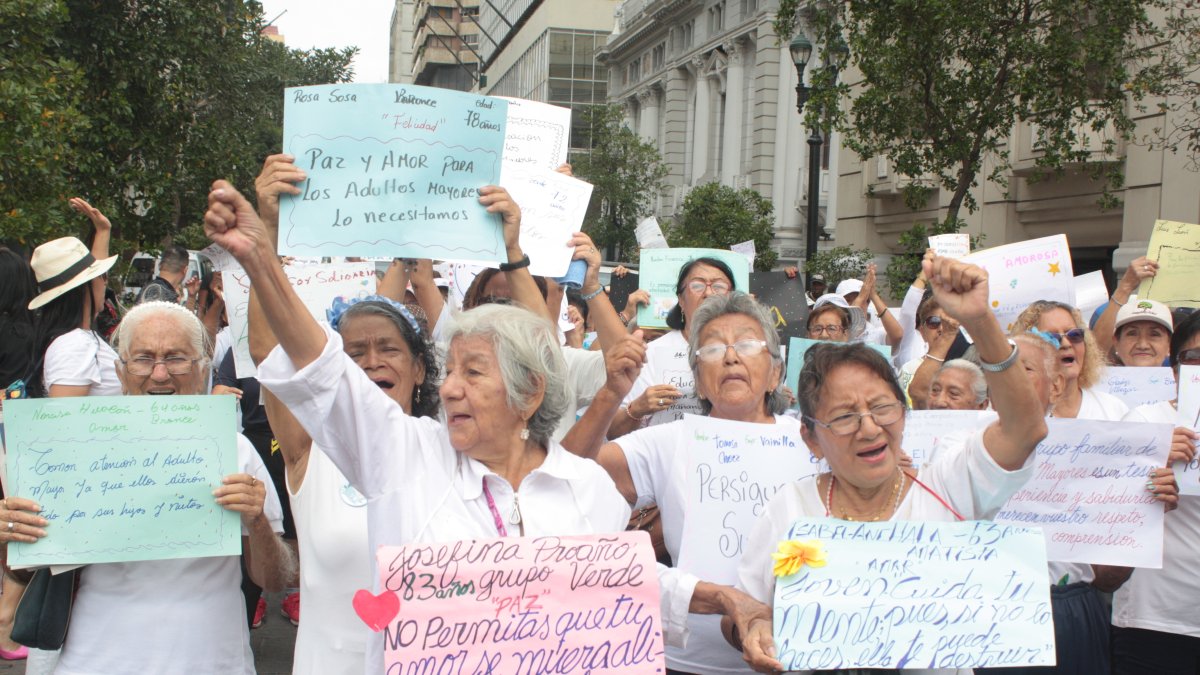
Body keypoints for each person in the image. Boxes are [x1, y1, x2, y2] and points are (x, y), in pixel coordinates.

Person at [204, 179, 636, 671]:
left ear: (530, 392)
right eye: (450, 371)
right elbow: (318, 367)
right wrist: (262, 257)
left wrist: (716, 599)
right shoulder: (405, 454)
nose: (452, 389)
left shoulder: (590, 490)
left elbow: (618, 606)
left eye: (472, 373)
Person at [729, 254, 1051, 674]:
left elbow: (1025, 429)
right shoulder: (791, 508)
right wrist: (753, 626)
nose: (869, 429)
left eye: (883, 408)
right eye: (844, 416)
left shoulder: (950, 488)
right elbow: (744, 611)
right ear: (812, 439)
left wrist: (981, 323)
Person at [0, 301, 294, 674]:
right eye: (142, 358)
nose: (159, 374)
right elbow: (28, 573)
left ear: (203, 367)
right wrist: (11, 537)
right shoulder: (73, 450)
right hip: (93, 659)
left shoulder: (233, 449)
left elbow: (273, 580)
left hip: (210, 659)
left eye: (176, 358)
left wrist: (259, 524)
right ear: (120, 370)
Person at [566, 291, 796, 673]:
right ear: (699, 384)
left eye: (746, 344)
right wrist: (612, 395)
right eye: (712, 349)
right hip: (688, 662)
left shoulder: (814, 442)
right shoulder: (671, 441)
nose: (730, 356)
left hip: (795, 655)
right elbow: (566, 476)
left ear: (775, 372)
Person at [248, 292, 440, 675]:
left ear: (419, 369)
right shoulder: (308, 448)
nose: (371, 363)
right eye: (354, 354)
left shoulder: (447, 452)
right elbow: (268, 351)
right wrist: (262, 247)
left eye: (389, 349)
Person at [1111, 310, 1200, 673]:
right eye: (1193, 359)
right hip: (1155, 618)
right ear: (1175, 369)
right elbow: (1109, 512)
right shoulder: (1145, 423)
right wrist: (1152, 465)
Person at [608, 257, 740, 436]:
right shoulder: (651, 354)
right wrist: (638, 409)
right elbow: (613, 432)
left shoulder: (748, 353)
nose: (709, 293)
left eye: (718, 286)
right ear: (681, 300)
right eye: (697, 285)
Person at [1111, 298, 1173, 367]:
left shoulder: (1185, 378)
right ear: (1116, 342)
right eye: (1132, 334)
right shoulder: (1099, 378)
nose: (1143, 346)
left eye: (1154, 334)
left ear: (1170, 344)